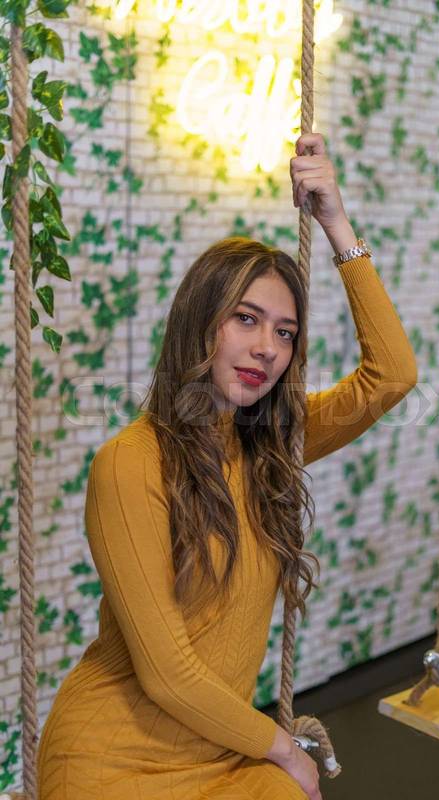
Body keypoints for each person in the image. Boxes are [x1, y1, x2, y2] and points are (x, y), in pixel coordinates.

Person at [37, 132, 417, 800]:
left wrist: (336, 224)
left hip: (216, 752)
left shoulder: (270, 445)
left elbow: (391, 376)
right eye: (246, 319)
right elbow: (165, 673)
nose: (266, 347)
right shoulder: (129, 463)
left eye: (284, 332)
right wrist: (282, 748)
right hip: (110, 762)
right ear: (201, 321)